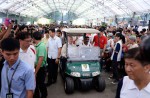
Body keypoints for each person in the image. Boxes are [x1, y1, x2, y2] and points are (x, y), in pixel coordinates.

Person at [33, 31, 48, 98]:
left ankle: (44, 95)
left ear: (34, 38)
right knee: (38, 83)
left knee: (41, 83)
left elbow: (40, 60)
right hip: (38, 67)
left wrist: (35, 72)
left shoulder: (41, 46)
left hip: (40, 68)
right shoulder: (38, 45)